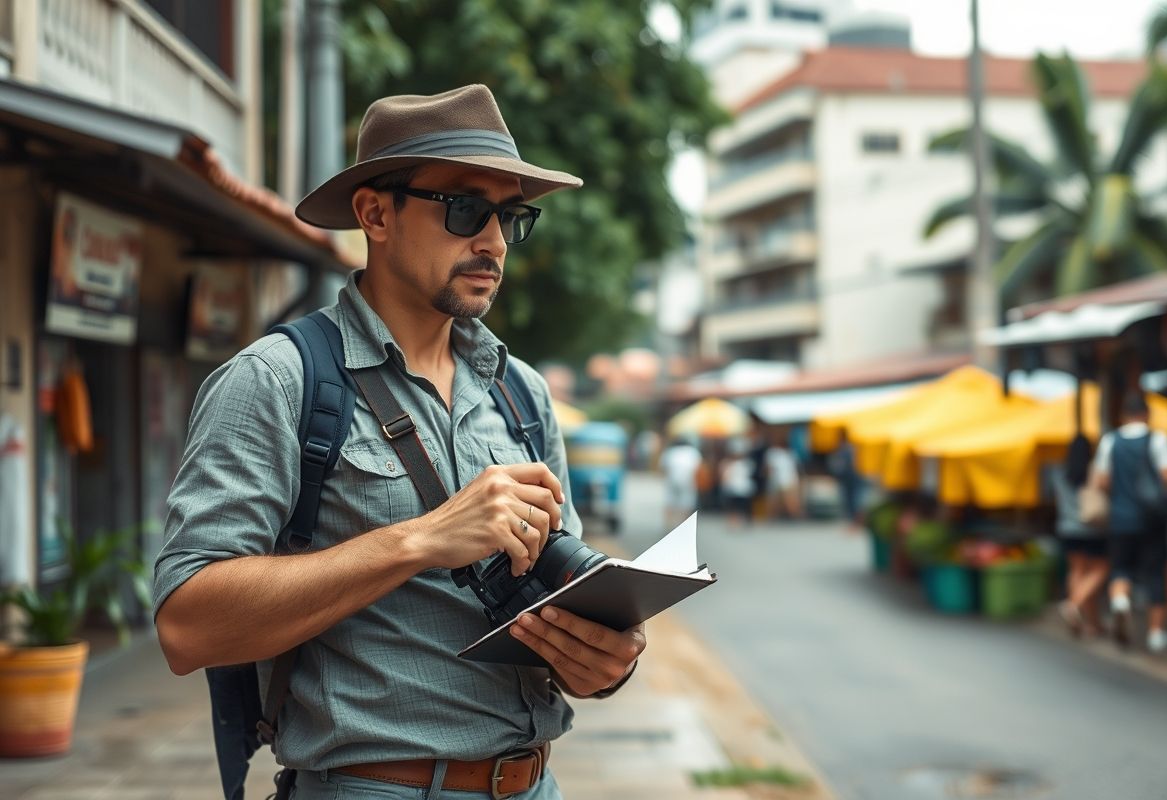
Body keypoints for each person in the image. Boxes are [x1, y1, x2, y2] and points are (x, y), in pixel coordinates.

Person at [152, 85, 644, 800]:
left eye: (510, 216)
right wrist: (421, 539)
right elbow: (187, 625)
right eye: (466, 209)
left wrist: (603, 663)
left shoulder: (522, 392)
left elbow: (561, 607)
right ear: (375, 214)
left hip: (536, 784)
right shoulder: (276, 382)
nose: (494, 241)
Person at [1089, 392, 1167, 652]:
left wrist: (1120, 495)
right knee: (1156, 572)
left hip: (1120, 518)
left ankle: (1121, 602)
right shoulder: (1157, 440)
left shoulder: (1110, 441)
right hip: (1152, 519)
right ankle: (1156, 633)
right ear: (1146, 414)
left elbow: (1101, 481)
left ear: (1123, 415)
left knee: (1120, 568)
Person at [1052, 434, 1109, 638]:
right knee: (1100, 569)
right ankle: (1073, 604)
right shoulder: (1094, 471)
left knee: (1077, 571)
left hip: (1067, 529)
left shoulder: (1059, 473)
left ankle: (1091, 622)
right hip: (1092, 529)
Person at [660, 436, 702, 527]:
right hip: (688, 480)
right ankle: (684, 525)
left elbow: (664, 468)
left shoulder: (670, 452)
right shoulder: (693, 452)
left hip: (672, 479)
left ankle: (668, 524)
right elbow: (697, 468)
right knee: (686, 503)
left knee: (670, 502)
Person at [719, 439, 755, 529]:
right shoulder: (728, 463)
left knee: (741, 506)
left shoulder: (747, 463)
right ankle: (733, 522)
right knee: (733, 506)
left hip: (743, 488)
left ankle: (740, 521)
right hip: (733, 488)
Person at [765, 438, 802, 520]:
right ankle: (772, 518)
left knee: (790, 501)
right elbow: (769, 469)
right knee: (775, 502)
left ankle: (796, 518)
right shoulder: (773, 453)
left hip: (789, 480)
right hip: (779, 481)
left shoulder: (790, 453)